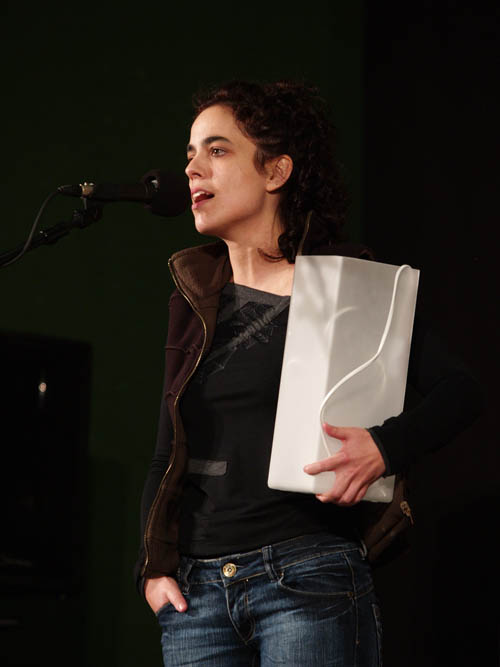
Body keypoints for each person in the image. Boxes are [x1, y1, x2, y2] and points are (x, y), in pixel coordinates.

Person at [135, 81, 483, 666]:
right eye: (190, 152)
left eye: (217, 150)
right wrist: (153, 570)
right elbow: (167, 450)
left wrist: (384, 448)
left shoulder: (347, 289)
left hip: (305, 579)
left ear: (276, 171)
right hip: (198, 596)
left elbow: (461, 391)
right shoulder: (193, 299)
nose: (192, 168)